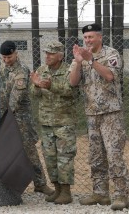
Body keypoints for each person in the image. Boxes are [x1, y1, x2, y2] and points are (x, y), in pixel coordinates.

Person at [69, 23, 129, 211]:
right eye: (85, 38)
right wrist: (79, 62)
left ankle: (121, 195)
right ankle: (100, 193)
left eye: (91, 37)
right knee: (96, 156)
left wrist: (91, 61)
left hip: (111, 113)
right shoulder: (81, 55)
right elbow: (73, 82)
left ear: (100, 37)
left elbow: (110, 76)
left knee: (114, 154)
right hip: (92, 113)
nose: (87, 41)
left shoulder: (111, 54)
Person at [0, 40, 54, 196]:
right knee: (5, 150)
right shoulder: (2, 65)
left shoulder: (21, 71)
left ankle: (40, 183)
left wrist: (4, 120)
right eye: (4, 57)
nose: (7, 60)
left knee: (29, 151)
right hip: (4, 117)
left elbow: (15, 101)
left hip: (19, 118)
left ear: (16, 53)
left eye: (9, 57)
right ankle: (6, 183)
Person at [30, 41, 79, 205]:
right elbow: (33, 93)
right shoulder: (41, 70)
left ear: (60, 56)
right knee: (50, 157)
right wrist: (36, 86)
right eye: (46, 53)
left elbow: (71, 91)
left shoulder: (69, 70)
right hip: (46, 122)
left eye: (51, 53)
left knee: (64, 157)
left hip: (64, 122)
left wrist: (51, 86)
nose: (47, 56)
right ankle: (57, 189)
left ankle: (66, 192)